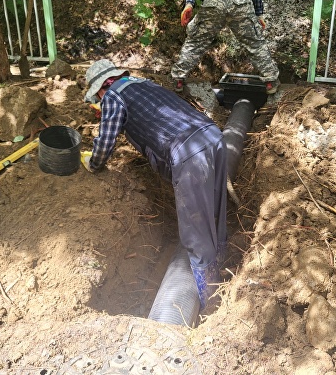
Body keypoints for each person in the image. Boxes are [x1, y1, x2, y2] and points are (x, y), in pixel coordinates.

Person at [82, 58, 228, 310]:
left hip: (189, 154)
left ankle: (210, 303)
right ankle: (224, 264)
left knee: (195, 230)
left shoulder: (113, 97)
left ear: (105, 84)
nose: (100, 100)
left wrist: (93, 163)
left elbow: (106, 141)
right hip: (213, 136)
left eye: (98, 95)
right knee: (215, 207)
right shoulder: (145, 84)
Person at [171, 0, 280, 94]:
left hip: (213, 1)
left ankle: (178, 80)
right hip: (240, 1)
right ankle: (270, 81)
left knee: (196, 41)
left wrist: (189, 3)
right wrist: (259, 13)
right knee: (254, 43)